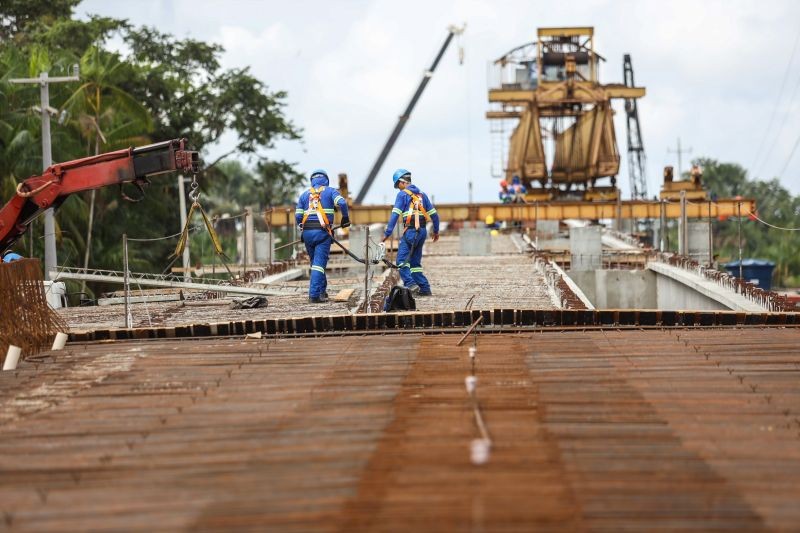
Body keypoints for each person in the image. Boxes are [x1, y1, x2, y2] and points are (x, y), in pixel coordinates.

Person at [381, 169, 440, 296]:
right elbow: (435, 216)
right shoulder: (422, 195)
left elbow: (395, 215)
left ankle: (410, 284)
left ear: (402, 182)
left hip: (411, 232)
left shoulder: (402, 195)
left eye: (398, 185)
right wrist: (436, 232)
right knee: (415, 264)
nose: (398, 188)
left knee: (401, 261)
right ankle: (424, 288)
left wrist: (387, 232)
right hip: (422, 232)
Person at [295, 169, 350, 303]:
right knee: (319, 264)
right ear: (326, 180)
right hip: (322, 233)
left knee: (315, 264)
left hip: (307, 233)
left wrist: (303, 229)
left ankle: (321, 291)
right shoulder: (330, 191)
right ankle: (314, 295)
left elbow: (298, 216)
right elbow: (342, 203)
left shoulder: (304, 195)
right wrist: (345, 218)